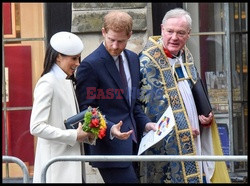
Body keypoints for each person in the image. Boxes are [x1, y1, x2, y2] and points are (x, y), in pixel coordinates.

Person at [138, 8, 231, 183]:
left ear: (188, 34)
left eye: (180, 33)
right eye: (170, 31)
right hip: (170, 147)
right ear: (161, 29)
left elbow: (192, 91)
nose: (174, 37)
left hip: (196, 138)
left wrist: (204, 115)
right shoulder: (147, 61)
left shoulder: (186, 55)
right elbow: (149, 108)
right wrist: (182, 130)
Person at [75, 11, 156, 184]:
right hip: (109, 148)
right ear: (103, 32)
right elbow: (87, 110)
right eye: (111, 39)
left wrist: (146, 123)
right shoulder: (90, 65)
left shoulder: (134, 59)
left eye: (120, 41)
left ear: (129, 36)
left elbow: (132, 105)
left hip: (134, 145)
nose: (114, 45)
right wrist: (111, 128)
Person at [30, 31, 95, 183]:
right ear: (58, 57)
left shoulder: (67, 81)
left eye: (79, 57)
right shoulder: (48, 82)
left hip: (69, 164)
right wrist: (74, 136)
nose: (78, 63)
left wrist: (87, 134)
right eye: (74, 58)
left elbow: (69, 123)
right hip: (56, 168)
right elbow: (36, 127)